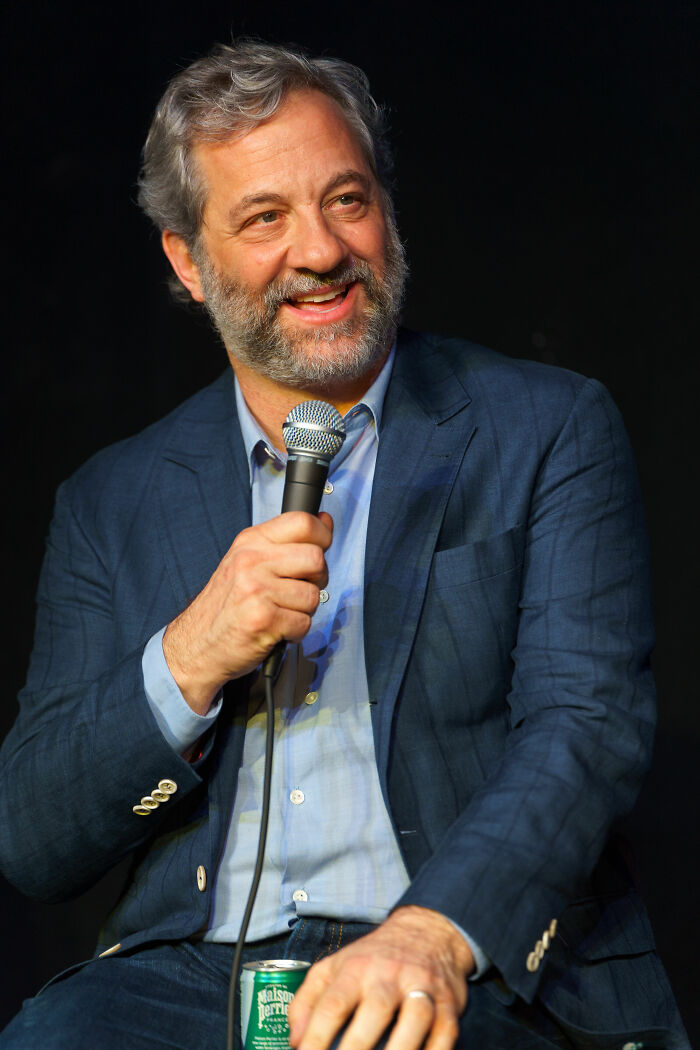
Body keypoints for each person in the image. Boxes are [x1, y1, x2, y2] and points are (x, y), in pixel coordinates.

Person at [0, 38, 689, 1050]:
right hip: (188, 981)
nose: (320, 251)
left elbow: (585, 731)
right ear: (187, 262)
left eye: (347, 200)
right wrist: (189, 655)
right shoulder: (111, 499)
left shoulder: (545, 428)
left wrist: (432, 933)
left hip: (462, 965)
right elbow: (34, 838)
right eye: (265, 218)